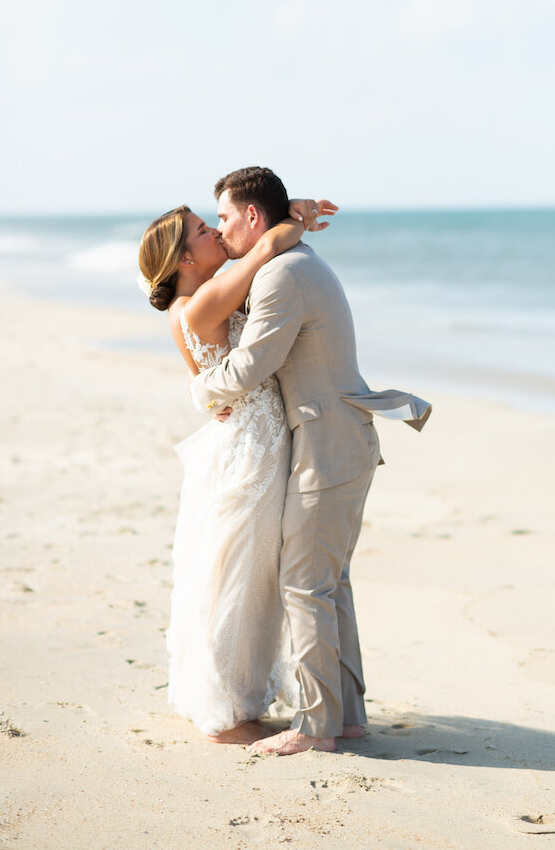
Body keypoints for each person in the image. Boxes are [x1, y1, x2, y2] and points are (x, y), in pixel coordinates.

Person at [190, 166, 431, 756]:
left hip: (329, 446)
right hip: (339, 438)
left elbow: (251, 366)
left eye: (223, 217)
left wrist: (199, 392)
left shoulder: (284, 275)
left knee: (304, 584)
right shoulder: (291, 261)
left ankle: (317, 728)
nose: (219, 230)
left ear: (252, 216)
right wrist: (291, 217)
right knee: (328, 584)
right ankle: (346, 718)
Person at [137, 196, 335, 744]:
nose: (215, 236)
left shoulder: (196, 299)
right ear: (184, 259)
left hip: (254, 438)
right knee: (240, 574)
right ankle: (229, 710)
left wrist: (281, 210)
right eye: (204, 231)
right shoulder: (200, 301)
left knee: (247, 573)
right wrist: (279, 220)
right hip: (251, 447)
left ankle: (239, 695)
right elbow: (267, 246)